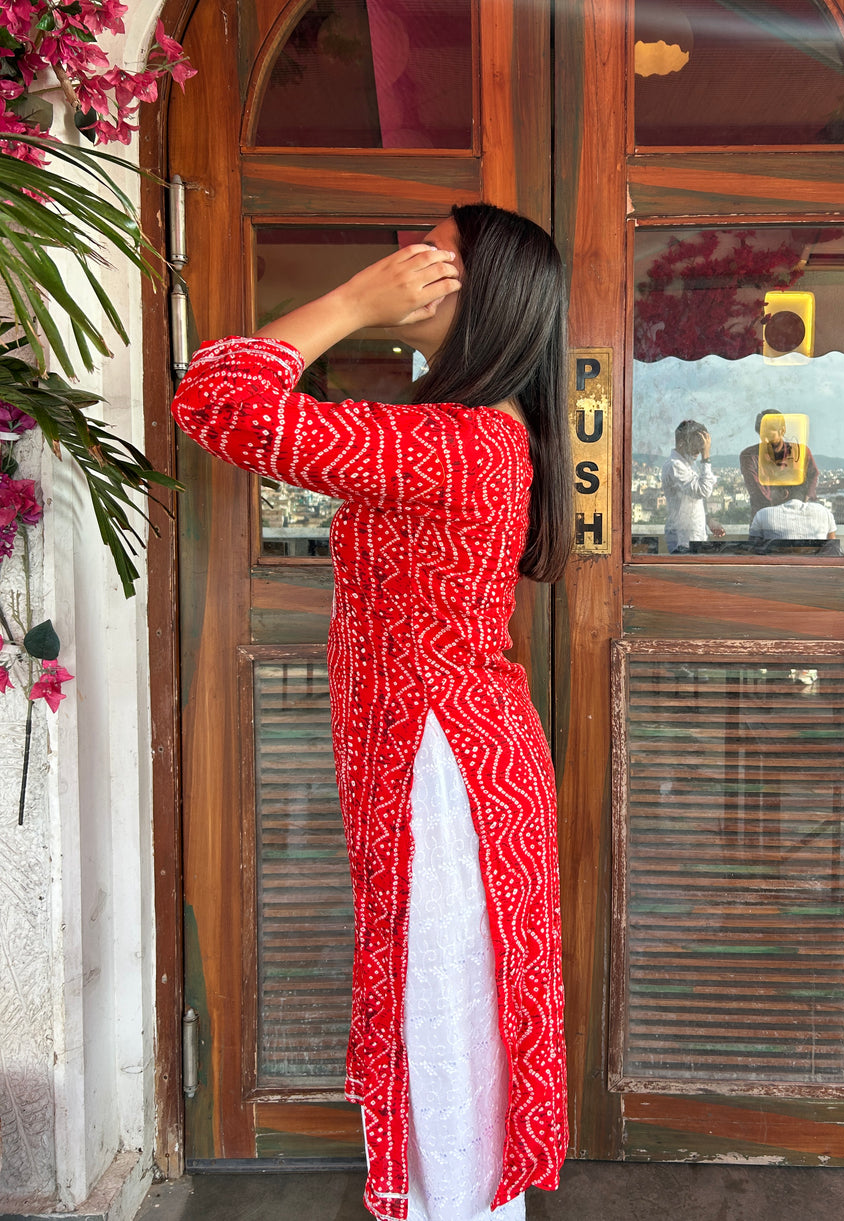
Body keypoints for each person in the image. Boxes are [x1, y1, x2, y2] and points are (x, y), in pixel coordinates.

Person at [172, 204, 571, 1221]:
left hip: (445, 769)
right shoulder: (468, 435)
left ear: (478, 294)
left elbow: (220, 402)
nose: (405, 258)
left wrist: (349, 303)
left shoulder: (456, 443)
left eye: (433, 249)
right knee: (454, 1026)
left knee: (448, 1029)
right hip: (452, 756)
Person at [739, 408, 819, 517]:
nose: (765, 441)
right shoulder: (749, 456)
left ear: (782, 430)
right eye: (761, 435)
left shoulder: (800, 452)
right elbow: (757, 492)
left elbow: (812, 478)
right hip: (765, 518)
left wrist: (802, 505)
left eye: (768, 435)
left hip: (797, 516)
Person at [662, 420, 725, 552]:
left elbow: (692, 501)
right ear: (682, 443)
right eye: (697, 446)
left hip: (694, 539)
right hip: (682, 542)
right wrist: (706, 456)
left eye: (702, 446)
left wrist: (708, 520)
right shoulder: (675, 465)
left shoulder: (689, 463)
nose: (699, 450)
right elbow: (703, 490)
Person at [749, 495, 837, 549]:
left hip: (774, 575)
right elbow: (832, 549)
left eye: (772, 490)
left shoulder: (763, 514)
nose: (770, 495)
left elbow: (752, 549)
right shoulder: (824, 512)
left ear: (784, 493)